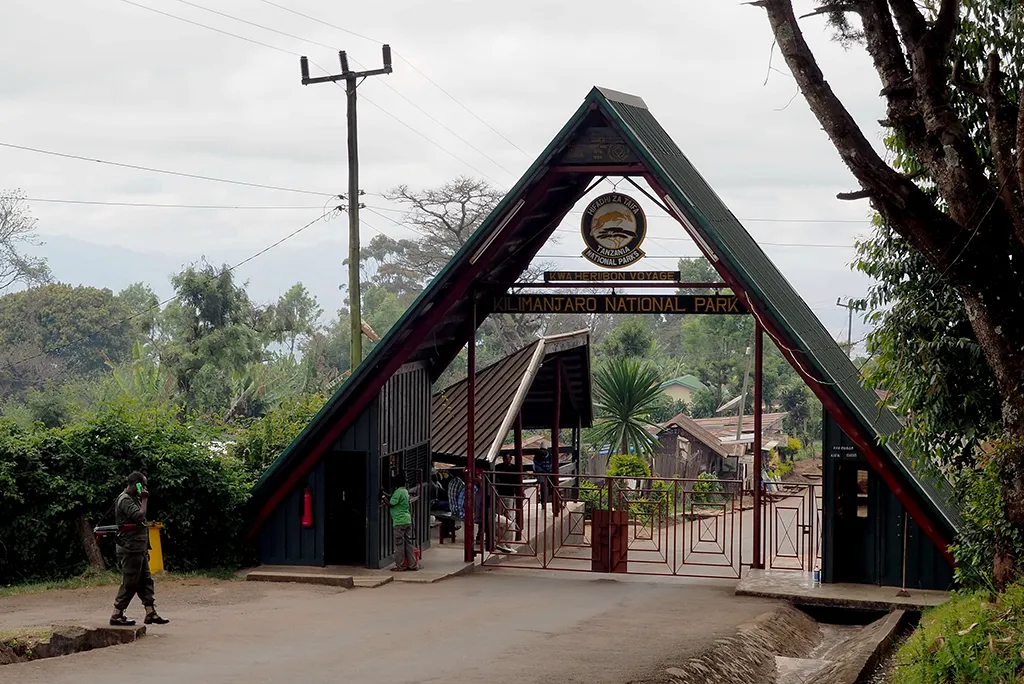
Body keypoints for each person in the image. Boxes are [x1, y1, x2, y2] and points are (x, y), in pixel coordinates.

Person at [110, 471, 169, 626]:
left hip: (138, 547)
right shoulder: (125, 499)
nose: (144, 488)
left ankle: (150, 612)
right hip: (129, 547)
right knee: (130, 581)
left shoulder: (133, 498)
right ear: (135, 483)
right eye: (142, 485)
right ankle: (116, 614)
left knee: (146, 580)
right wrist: (144, 499)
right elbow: (139, 516)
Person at [382, 473, 419, 571]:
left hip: (399, 522)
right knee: (408, 544)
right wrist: (385, 495)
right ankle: (413, 565)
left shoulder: (398, 492)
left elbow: (390, 504)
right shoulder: (404, 491)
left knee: (399, 545)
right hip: (407, 520)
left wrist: (382, 497)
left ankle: (401, 566)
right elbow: (393, 498)